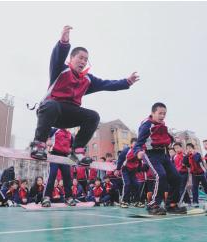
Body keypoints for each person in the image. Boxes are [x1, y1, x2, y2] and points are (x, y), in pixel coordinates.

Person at [30, 25, 139, 165]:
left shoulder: (88, 79)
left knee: (93, 116)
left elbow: (107, 84)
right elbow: (57, 56)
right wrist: (63, 42)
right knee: (51, 105)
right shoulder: (60, 69)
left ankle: (77, 151)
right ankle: (39, 144)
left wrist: (126, 82)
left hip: (70, 115)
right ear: (71, 58)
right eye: (80, 58)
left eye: (85, 59)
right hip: (51, 111)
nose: (83, 62)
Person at [133, 102, 185, 215]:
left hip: (163, 154)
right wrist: (138, 153)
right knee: (160, 175)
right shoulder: (146, 125)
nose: (162, 116)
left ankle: (171, 204)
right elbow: (138, 143)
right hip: (151, 154)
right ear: (153, 113)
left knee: (176, 177)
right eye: (160, 113)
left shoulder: (162, 125)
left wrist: (175, 139)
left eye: (164, 114)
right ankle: (153, 205)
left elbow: (167, 138)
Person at [41, 128, 76, 207]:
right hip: (54, 155)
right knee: (52, 176)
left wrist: (75, 157)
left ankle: (68, 198)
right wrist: (47, 140)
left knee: (67, 178)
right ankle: (46, 198)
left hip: (65, 158)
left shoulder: (70, 135)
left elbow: (72, 148)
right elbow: (43, 134)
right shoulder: (54, 130)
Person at [116, 138, 141, 208]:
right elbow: (120, 159)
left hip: (133, 171)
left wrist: (139, 169)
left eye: (137, 144)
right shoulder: (126, 150)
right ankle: (124, 201)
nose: (136, 145)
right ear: (131, 144)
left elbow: (139, 162)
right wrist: (117, 169)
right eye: (134, 144)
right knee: (127, 184)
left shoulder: (139, 151)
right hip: (125, 170)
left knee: (136, 184)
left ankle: (136, 201)